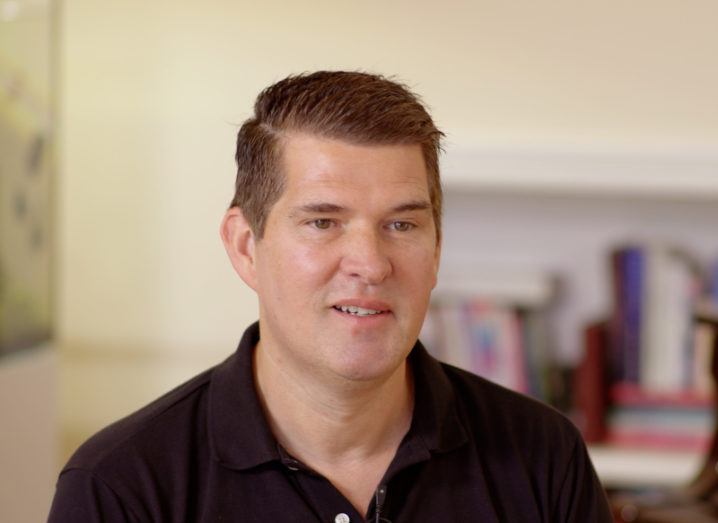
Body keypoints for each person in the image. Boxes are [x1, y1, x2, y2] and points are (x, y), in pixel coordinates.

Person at [48, 71, 612, 522]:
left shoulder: (543, 455)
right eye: (323, 222)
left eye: (402, 226)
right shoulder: (121, 486)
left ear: (437, 250)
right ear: (246, 246)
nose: (370, 263)